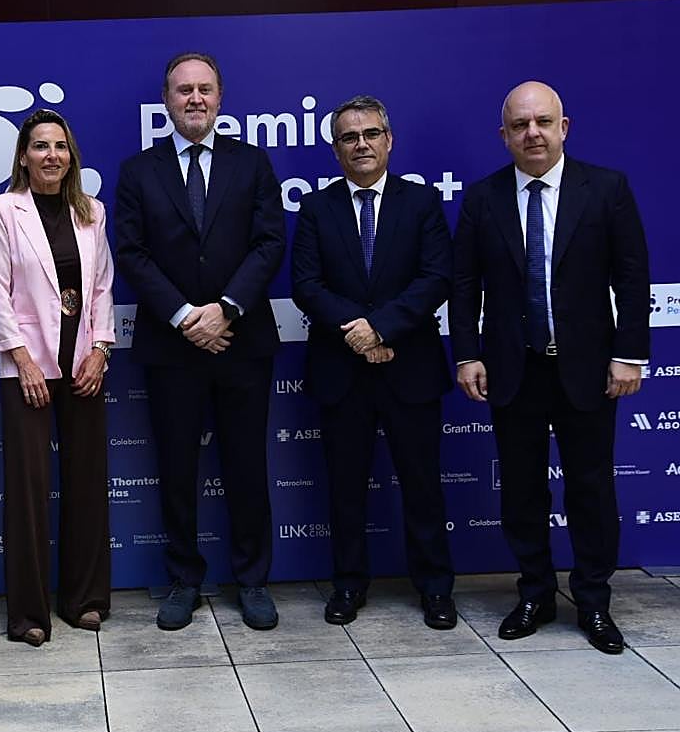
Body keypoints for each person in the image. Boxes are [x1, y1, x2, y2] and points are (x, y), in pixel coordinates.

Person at [450, 81, 650, 654]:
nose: (532, 133)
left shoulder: (606, 189)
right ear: (504, 135)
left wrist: (629, 354)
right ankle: (534, 594)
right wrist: (468, 353)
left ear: (564, 127)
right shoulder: (483, 198)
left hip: (588, 370)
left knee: (590, 490)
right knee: (521, 492)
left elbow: (633, 278)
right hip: (514, 371)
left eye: (543, 122)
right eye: (520, 125)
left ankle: (593, 601)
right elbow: (464, 286)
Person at [114, 52, 287, 631]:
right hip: (172, 346)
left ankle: (252, 580)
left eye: (205, 90)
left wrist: (226, 310)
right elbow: (132, 253)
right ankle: (184, 579)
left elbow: (269, 243)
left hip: (243, 342)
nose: (195, 99)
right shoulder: (139, 171)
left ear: (220, 98)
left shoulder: (253, 164)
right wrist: (188, 316)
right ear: (167, 100)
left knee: (245, 465)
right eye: (184, 90)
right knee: (177, 468)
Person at [291, 95, 456, 629]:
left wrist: (382, 329)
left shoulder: (422, 202)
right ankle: (347, 585)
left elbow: (435, 278)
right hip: (342, 371)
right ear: (336, 149)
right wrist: (359, 335)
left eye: (370, 134)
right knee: (344, 488)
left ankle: (434, 588)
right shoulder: (317, 209)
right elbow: (306, 285)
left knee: (423, 486)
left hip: (409, 366)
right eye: (348, 137)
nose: (360, 144)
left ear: (389, 140)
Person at [0, 108, 115, 647]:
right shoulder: (2, 209)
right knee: (29, 491)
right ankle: (28, 614)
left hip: (84, 363)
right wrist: (23, 361)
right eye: (40, 146)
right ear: (23, 155)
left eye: (60, 146)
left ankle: (84, 599)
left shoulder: (92, 211)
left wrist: (101, 351)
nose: (51, 156)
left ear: (72, 156)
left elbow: (103, 286)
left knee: (86, 483)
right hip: (27, 367)